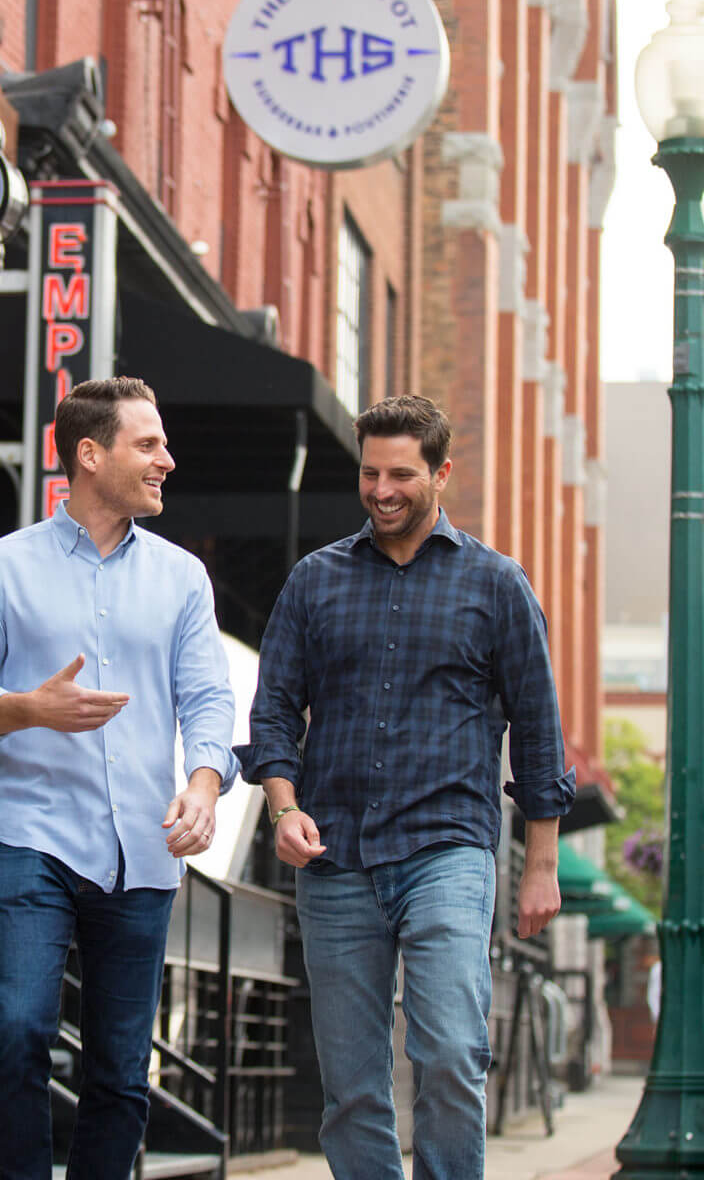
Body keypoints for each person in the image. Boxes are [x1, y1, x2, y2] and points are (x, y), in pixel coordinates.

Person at [236, 394, 575, 1180]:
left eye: (401, 475)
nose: (382, 490)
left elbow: (538, 722)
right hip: (335, 857)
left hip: (447, 849)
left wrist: (541, 863)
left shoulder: (497, 585)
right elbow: (276, 710)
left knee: (452, 1051)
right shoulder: (315, 582)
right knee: (353, 1089)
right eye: (369, 473)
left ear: (441, 472)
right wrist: (282, 809)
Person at [0, 376, 238, 1180]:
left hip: (144, 846)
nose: (166, 460)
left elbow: (209, 697)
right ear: (90, 455)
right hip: (32, 837)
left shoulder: (182, 579)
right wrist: (28, 708)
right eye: (149, 444)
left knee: (120, 1070)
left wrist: (204, 784)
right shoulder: (2, 567)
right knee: (16, 1029)